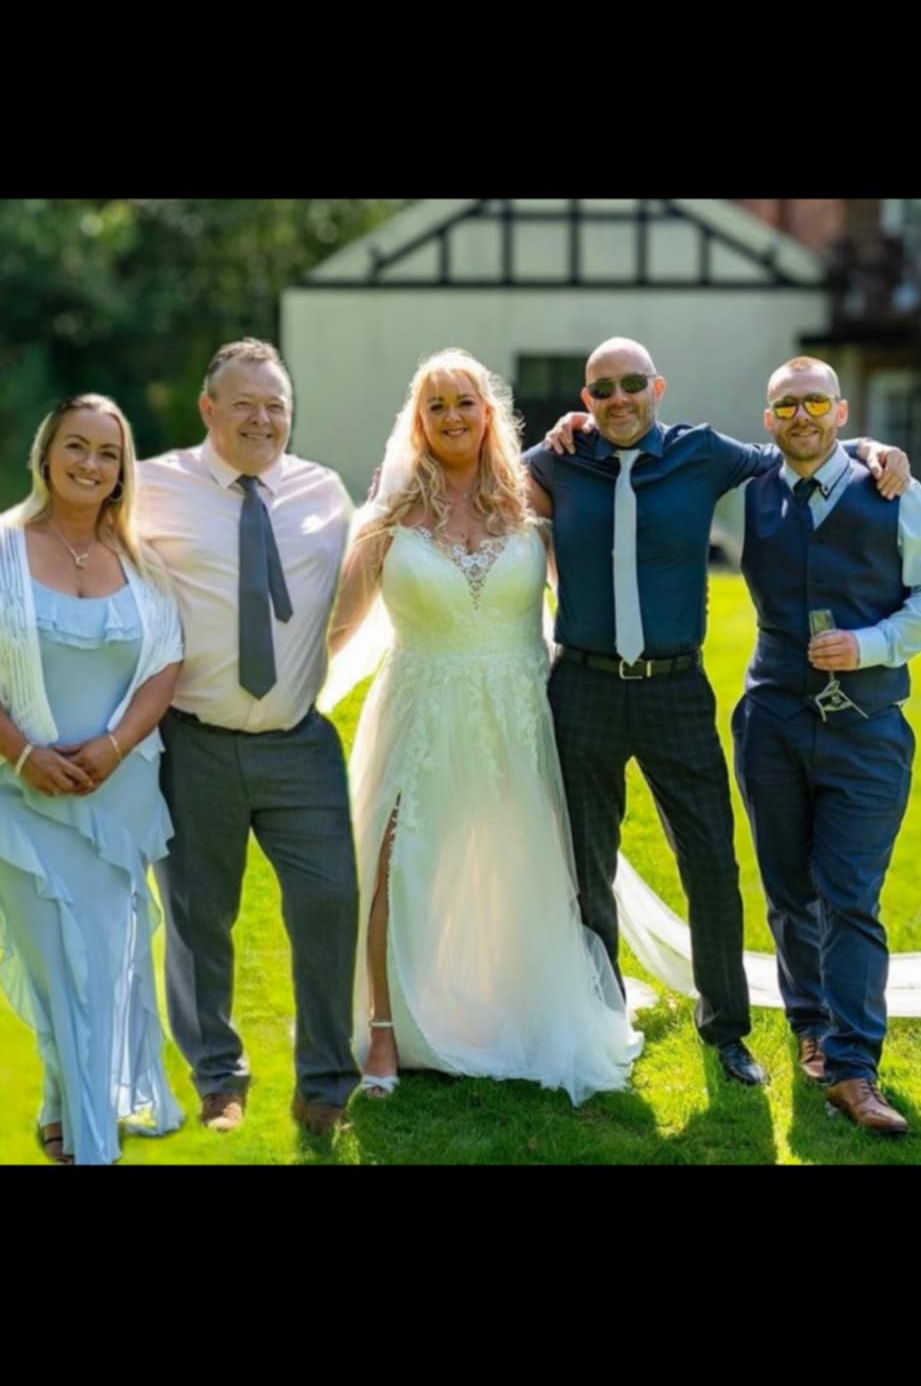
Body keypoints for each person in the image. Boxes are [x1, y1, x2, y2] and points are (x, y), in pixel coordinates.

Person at [528, 338, 908, 1087]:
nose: (619, 399)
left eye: (632, 383)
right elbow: (482, 473)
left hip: (676, 690)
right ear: (585, 400)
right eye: (601, 389)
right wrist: (540, 439)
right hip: (583, 689)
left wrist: (869, 445)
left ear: (657, 388)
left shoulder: (705, 454)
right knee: (586, 864)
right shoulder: (557, 461)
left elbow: (797, 445)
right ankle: (600, 1015)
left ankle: (727, 1030)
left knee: (710, 862)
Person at [327, 348, 643, 1103]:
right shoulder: (390, 515)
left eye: (463, 401)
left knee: (520, 865)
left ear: (487, 412)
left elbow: (593, 597)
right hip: (420, 710)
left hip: (516, 711)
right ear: (417, 423)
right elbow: (337, 628)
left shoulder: (532, 499)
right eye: (434, 405)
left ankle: (512, 1005)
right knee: (395, 863)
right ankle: (381, 1029)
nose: (451, 417)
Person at [137, 340, 359, 1139]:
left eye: (276, 406)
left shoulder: (323, 492)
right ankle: (218, 1075)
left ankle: (327, 1083)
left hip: (299, 741)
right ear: (209, 409)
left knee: (331, 902)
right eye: (245, 403)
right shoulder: (153, 486)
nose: (263, 418)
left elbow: (364, 576)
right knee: (199, 915)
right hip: (192, 740)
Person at [731, 356, 921, 1134]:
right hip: (772, 718)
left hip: (867, 729)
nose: (799, 416)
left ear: (840, 413)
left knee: (848, 895)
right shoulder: (751, 488)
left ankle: (852, 1067)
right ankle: (808, 1020)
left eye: (814, 402)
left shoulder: (897, 492)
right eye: (784, 406)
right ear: (768, 419)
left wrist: (872, 643)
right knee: (785, 890)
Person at [0, 394, 184, 1166]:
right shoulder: (5, 548)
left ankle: (62, 1107)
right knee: (56, 968)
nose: (90, 464)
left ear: (121, 471)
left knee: (104, 968)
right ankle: (90, 1144)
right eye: (76, 447)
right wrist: (21, 755)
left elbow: (166, 661)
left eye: (107, 454)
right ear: (46, 454)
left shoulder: (142, 561)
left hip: (115, 798)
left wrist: (114, 746)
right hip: (22, 799)